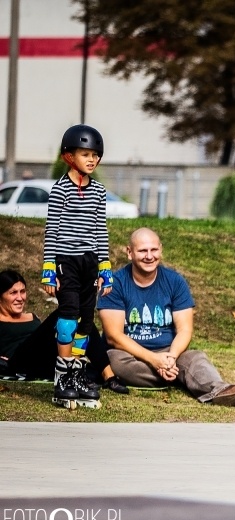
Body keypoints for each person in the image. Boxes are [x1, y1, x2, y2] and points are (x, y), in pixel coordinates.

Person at [97, 228, 235, 406]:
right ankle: (180, 377)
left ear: (161, 249)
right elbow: (114, 337)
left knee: (195, 358)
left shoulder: (175, 281)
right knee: (113, 361)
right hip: (129, 353)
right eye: (143, 251)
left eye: (154, 250)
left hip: (169, 351)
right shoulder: (115, 284)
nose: (149, 256)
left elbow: (185, 329)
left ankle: (220, 390)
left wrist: (171, 357)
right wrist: (154, 360)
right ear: (129, 252)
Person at [42, 124, 115, 408]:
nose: (92, 159)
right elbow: (52, 231)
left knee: (85, 321)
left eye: (95, 155)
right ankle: (62, 378)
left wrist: (105, 268)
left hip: (90, 262)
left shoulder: (99, 191)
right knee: (68, 319)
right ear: (69, 157)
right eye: (85, 154)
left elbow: (100, 231)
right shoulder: (60, 190)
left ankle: (76, 374)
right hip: (66, 262)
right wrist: (49, 268)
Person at [0, 269, 128, 393]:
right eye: (13, 293)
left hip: (45, 361)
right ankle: (109, 376)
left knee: (82, 317)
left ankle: (106, 374)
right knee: (65, 313)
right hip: (19, 362)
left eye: (22, 292)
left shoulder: (31, 317)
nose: (20, 298)